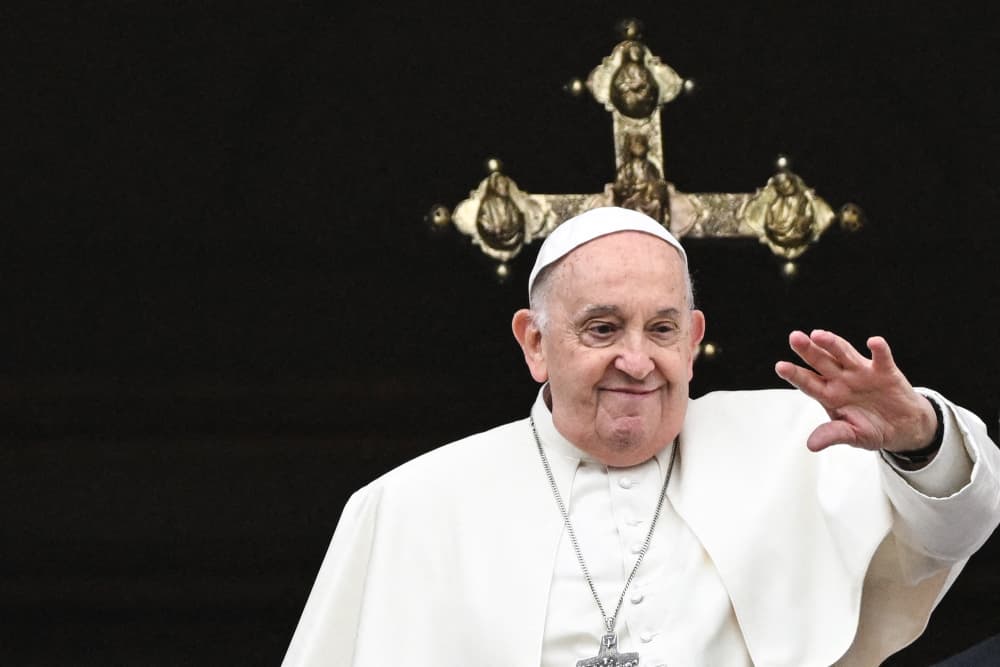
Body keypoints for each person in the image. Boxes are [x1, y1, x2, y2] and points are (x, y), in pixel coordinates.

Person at [282, 207, 1000, 666]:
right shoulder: (410, 505)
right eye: (602, 328)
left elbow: (958, 527)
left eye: (661, 329)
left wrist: (918, 436)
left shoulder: (797, 441)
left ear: (692, 341)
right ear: (535, 343)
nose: (637, 359)